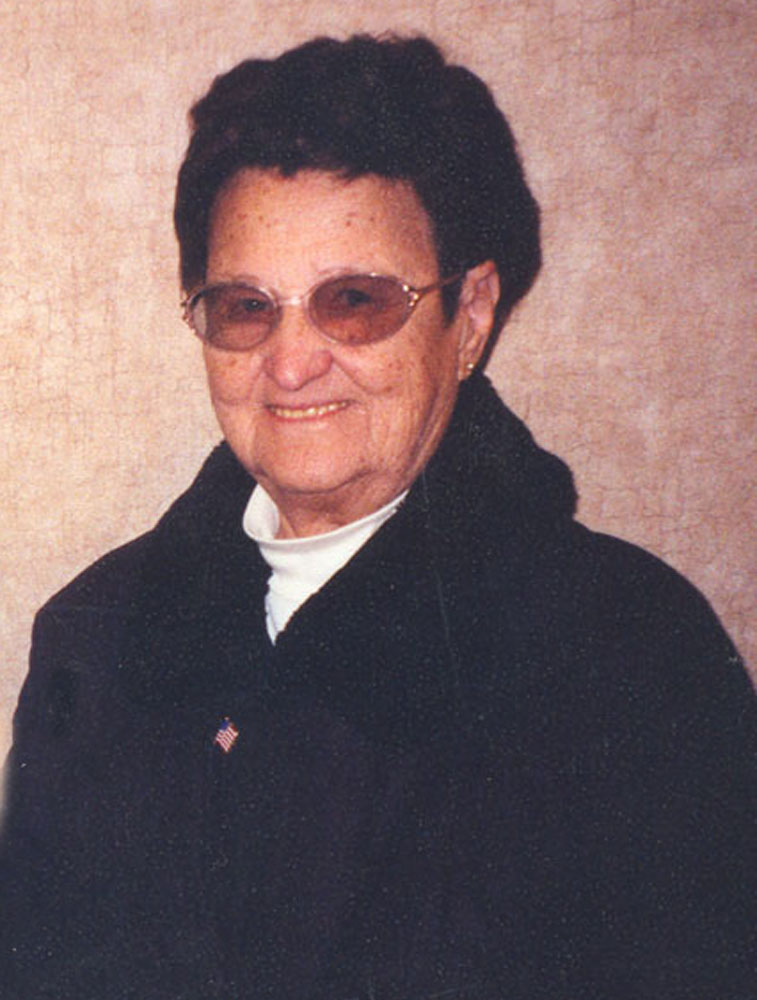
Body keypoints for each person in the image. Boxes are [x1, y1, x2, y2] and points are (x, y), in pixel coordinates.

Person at [1, 34, 755, 1000]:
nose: (290, 363)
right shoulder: (97, 638)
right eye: (246, 307)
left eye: (353, 301)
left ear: (469, 315)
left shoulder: (627, 656)